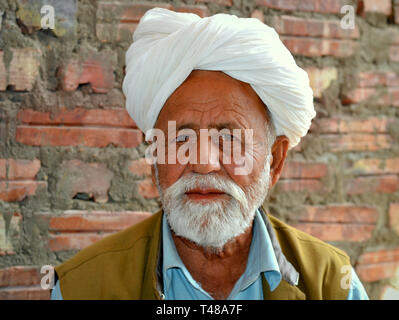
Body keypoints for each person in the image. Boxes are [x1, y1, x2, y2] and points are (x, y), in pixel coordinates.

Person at [51, 8, 368, 300]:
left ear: (275, 160)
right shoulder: (83, 288)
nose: (203, 163)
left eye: (230, 138)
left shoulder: (332, 286)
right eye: (181, 138)